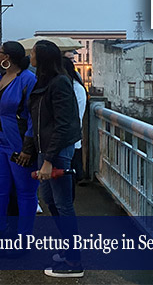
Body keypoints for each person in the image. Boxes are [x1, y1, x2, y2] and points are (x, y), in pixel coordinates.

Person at [20, 40, 83, 278]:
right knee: (49, 198)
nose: (31, 56)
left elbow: (63, 123)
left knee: (63, 203)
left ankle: (74, 260)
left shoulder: (59, 84)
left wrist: (49, 159)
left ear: (42, 57)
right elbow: (36, 122)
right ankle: (69, 249)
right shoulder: (44, 82)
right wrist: (30, 149)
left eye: (34, 53)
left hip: (56, 151)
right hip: (44, 149)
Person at [0, 41, 38, 250]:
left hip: (17, 144)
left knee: (25, 191)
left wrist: (28, 148)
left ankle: (23, 237)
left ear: (7, 57)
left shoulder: (28, 80)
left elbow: (33, 116)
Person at [62, 56, 87, 199]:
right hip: (67, 138)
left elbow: (76, 115)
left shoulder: (76, 89)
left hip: (70, 138)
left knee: (68, 174)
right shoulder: (70, 87)